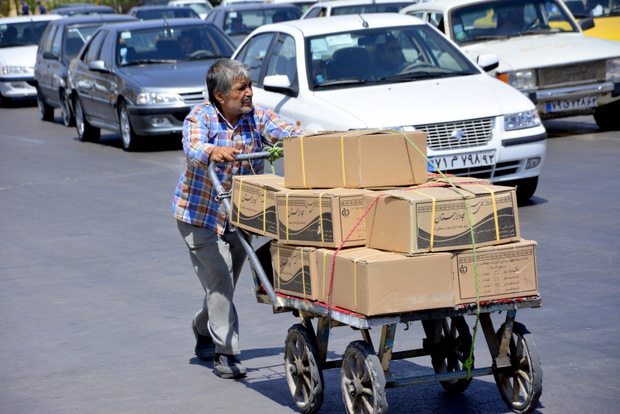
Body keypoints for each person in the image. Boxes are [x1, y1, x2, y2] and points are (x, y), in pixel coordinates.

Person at [172, 59, 309, 379]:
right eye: (241, 88)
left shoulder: (256, 116)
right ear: (220, 96)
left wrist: (305, 137)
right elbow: (192, 147)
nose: (249, 93)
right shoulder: (201, 116)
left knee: (223, 287)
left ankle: (202, 326)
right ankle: (226, 354)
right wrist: (211, 151)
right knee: (219, 279)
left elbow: (285, 132)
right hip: (199, 216)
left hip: (240, 217)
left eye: (250, 86)